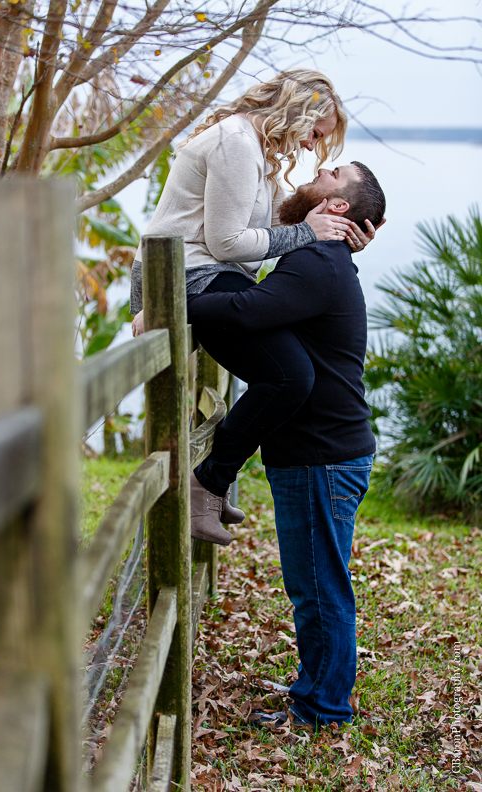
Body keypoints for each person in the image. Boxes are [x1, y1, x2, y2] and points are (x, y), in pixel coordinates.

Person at [131, 70, 383, 541]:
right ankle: (207, 483)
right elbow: (227, 242)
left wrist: (343, 236)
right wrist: (312, 232)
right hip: (189, 274)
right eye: (315, 133)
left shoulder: (258, 151)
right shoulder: (237, 144)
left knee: (291, 373)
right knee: (290, 376)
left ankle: (211, 481)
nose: (311, 147)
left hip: (204, 273)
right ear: (298, 110)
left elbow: (279, 221)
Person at [186, 160, 385, 728]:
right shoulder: (319, 257)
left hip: (323, 455)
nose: (318, 169)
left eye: (332, 173)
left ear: (339, 207)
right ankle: (320, 687)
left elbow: (249, 311)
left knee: (319, 587)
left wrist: (175, 306)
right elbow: (258, 237)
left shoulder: (319, 263)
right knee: (317, 582)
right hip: (321, 451)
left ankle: (321, 707)